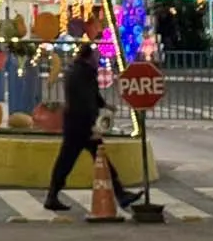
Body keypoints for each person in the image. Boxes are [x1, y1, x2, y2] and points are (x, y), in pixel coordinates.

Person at [45, 42, 143, 211]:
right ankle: (120, 194)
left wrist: (105, 105)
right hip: (82, 124)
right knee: (71, 160)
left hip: (74, 122)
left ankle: (53, 195)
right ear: (89, 57)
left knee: (71, 160)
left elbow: (91, 95)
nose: (98, 60)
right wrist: (92, 124)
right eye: (96, 57)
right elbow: (86, 100)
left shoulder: (74, 70)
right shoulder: (85, 73)